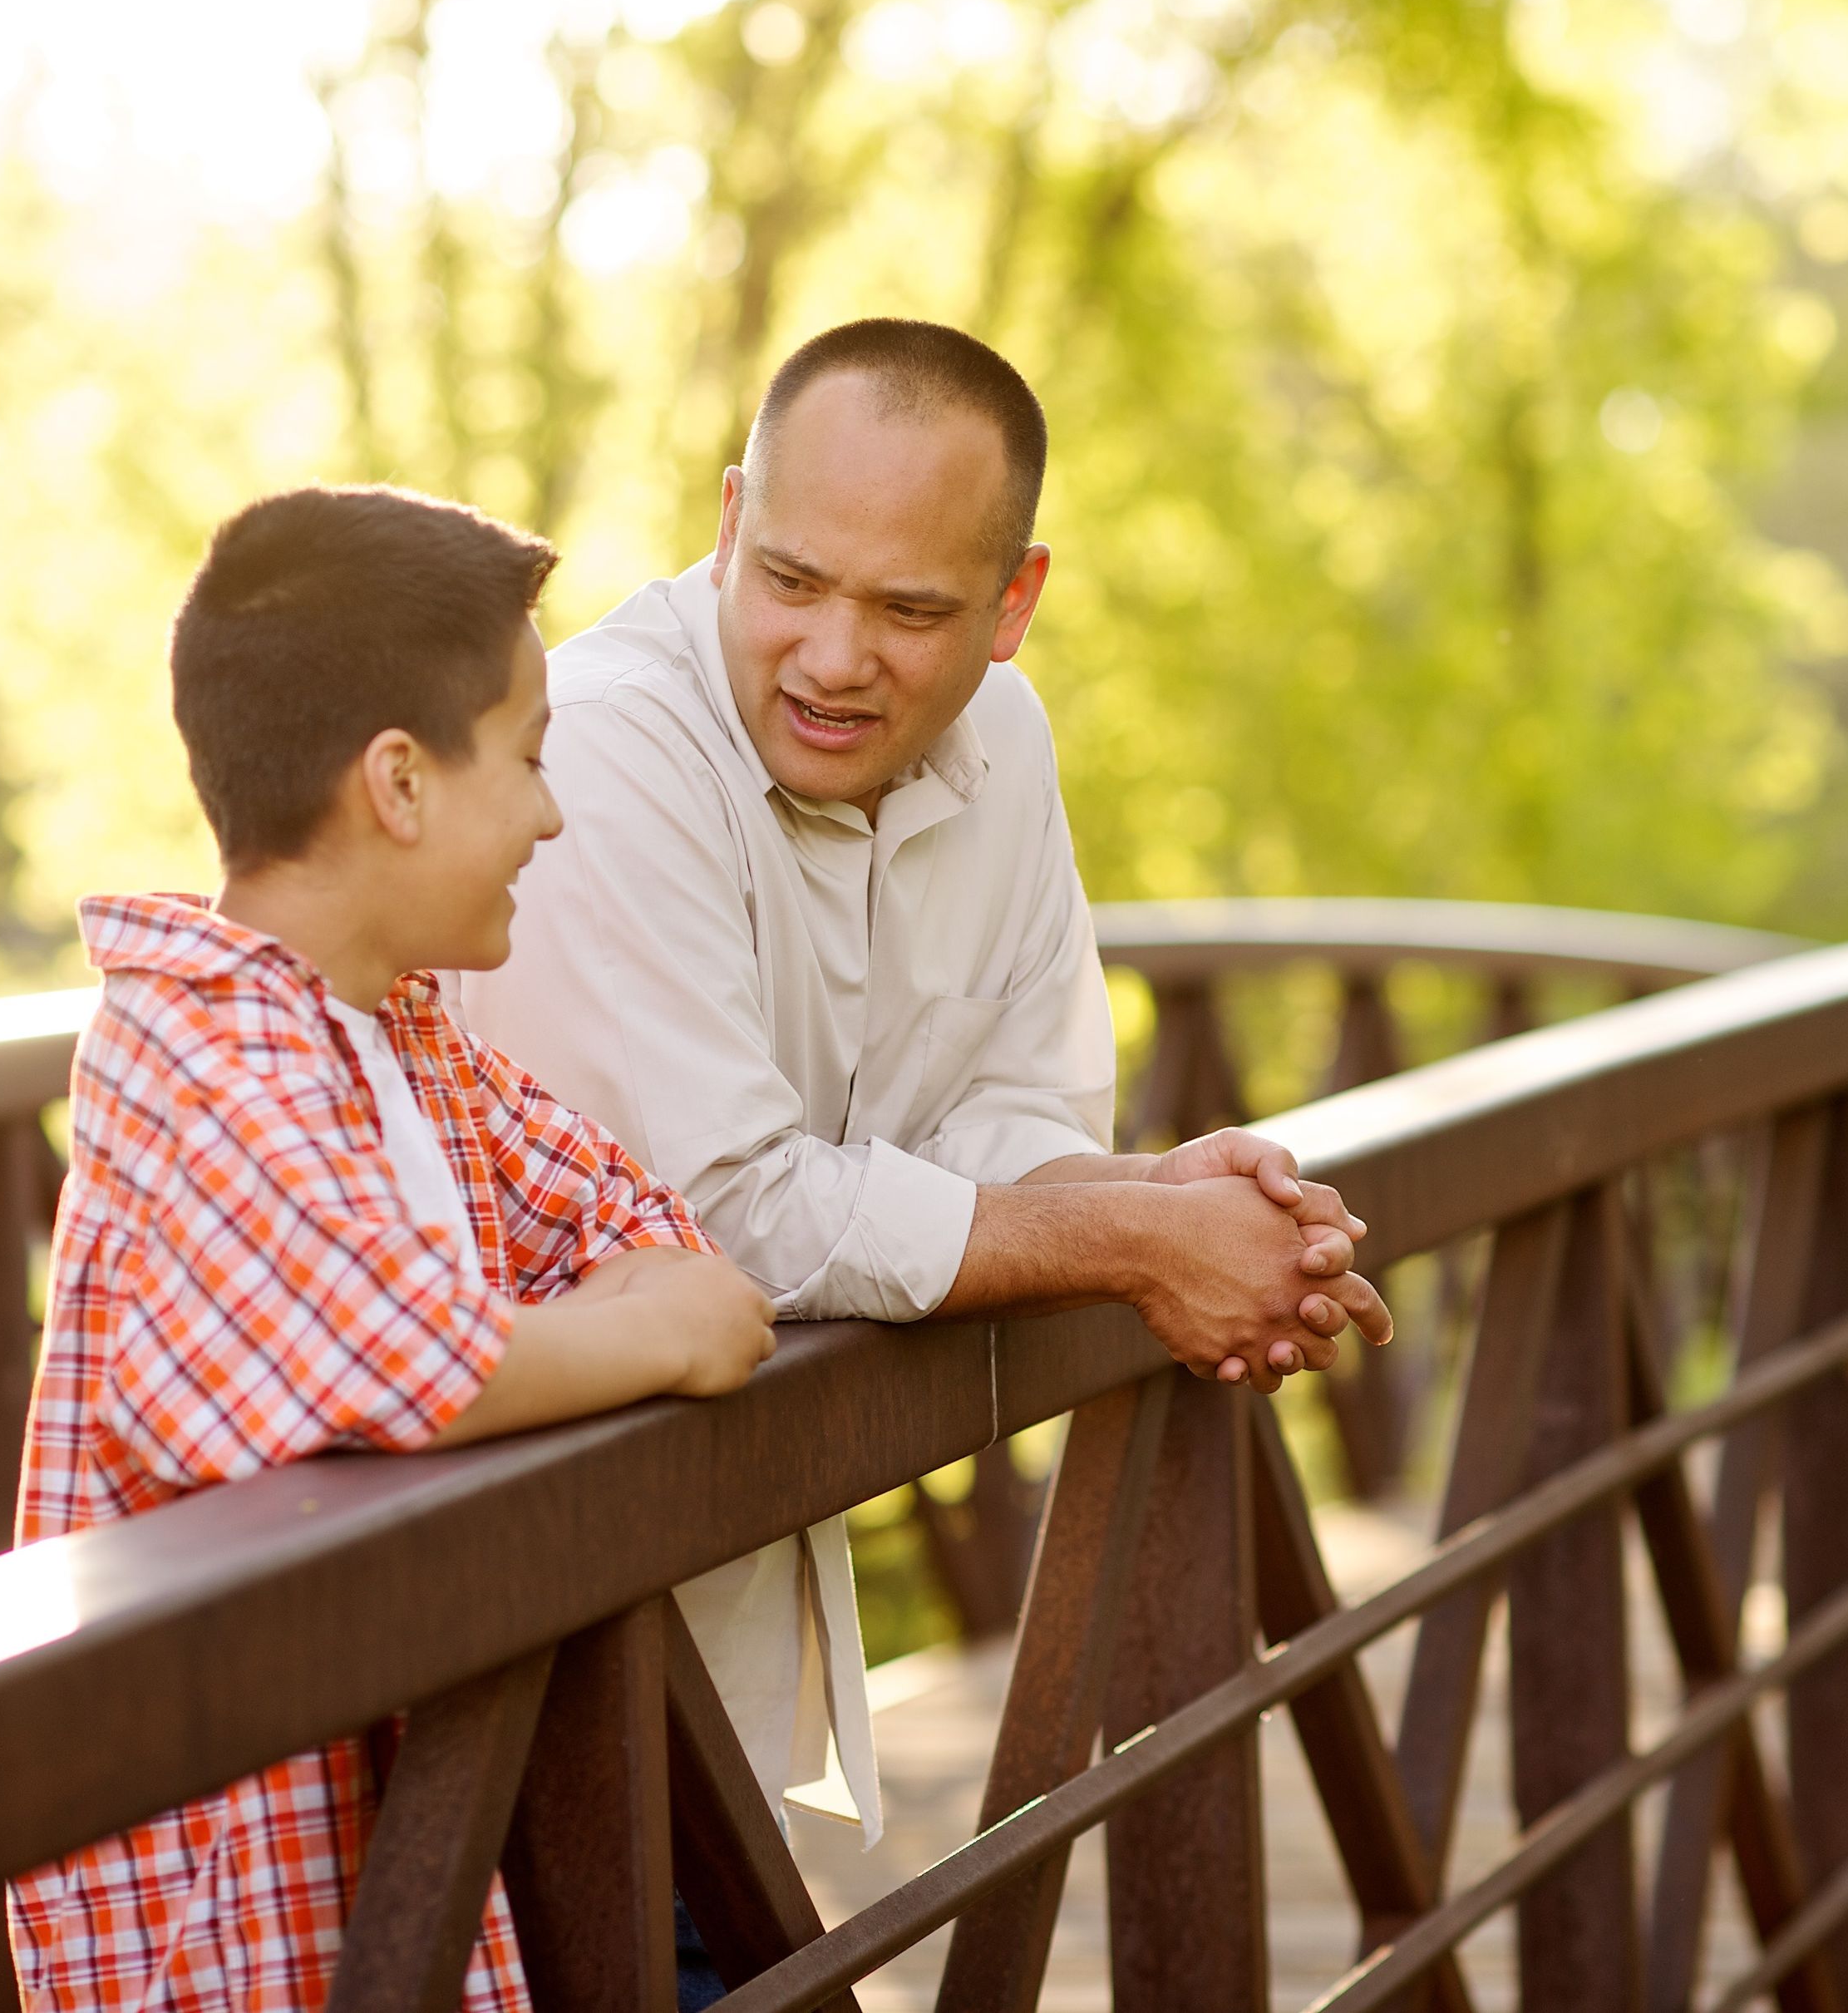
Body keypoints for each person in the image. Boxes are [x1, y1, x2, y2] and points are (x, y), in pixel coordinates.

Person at [451, 321, 1395, 1985]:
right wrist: (1138, 1248)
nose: (833, 657)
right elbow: (724, 1216)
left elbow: (1015, 1129)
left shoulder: (1006, 747)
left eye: (910, 612)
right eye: (793, 579)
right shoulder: (598, 743)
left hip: (718, 1675)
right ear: (732, 517)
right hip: (492, 1695)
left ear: (1014, 604)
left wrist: (1180, 1207)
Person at [7, 486, 778, 2013]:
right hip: (240, 1935)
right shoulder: (199, 1058)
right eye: (535, 755)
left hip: (428, 1875)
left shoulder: (409, 1037)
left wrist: (596, 1324)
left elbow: (651, 1233)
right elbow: (407, 1355)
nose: (555, 814)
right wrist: (656, 1337)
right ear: (401, 785)